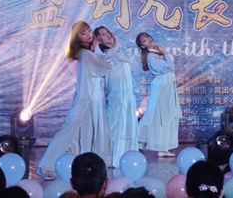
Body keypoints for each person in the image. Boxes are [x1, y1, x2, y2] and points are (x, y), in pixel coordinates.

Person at [37, 22, 111, 180]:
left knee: (85, 136)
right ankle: (45, 166)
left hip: (93, 101)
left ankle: (83, 169)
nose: (88, 35)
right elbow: (104, 66)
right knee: (68, 132)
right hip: (86, 101)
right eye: (83, 33)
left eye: (89, 31)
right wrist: (98, 48)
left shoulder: (88, 53)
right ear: (77, 38)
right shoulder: (87, 54)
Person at [94, 26, 138, 168]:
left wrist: (117, 43)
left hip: (126, 90)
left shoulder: (114, 49)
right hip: (117, 91)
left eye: (107, 32)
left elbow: (130, 58)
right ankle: (112, 156)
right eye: (103, 34)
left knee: (124, 120)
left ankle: (123, 155)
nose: (107, 35)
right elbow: (129, 58)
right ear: (98, 39)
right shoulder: (110, 52)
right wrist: (117, 45)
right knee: (115, 121)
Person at [135, 32, 181, 157]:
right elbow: (167, 67)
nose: (147, 40)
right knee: (156, 114)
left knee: (165, 115)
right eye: (144, 40)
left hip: (167, 85)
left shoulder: (157, 52)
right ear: (142, 46)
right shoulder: (150, 55)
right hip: (161, 86)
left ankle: (163, 147)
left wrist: (164, 53)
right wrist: (165, 53)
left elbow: (171, 66)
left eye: (147, 37)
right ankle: (137, 139)